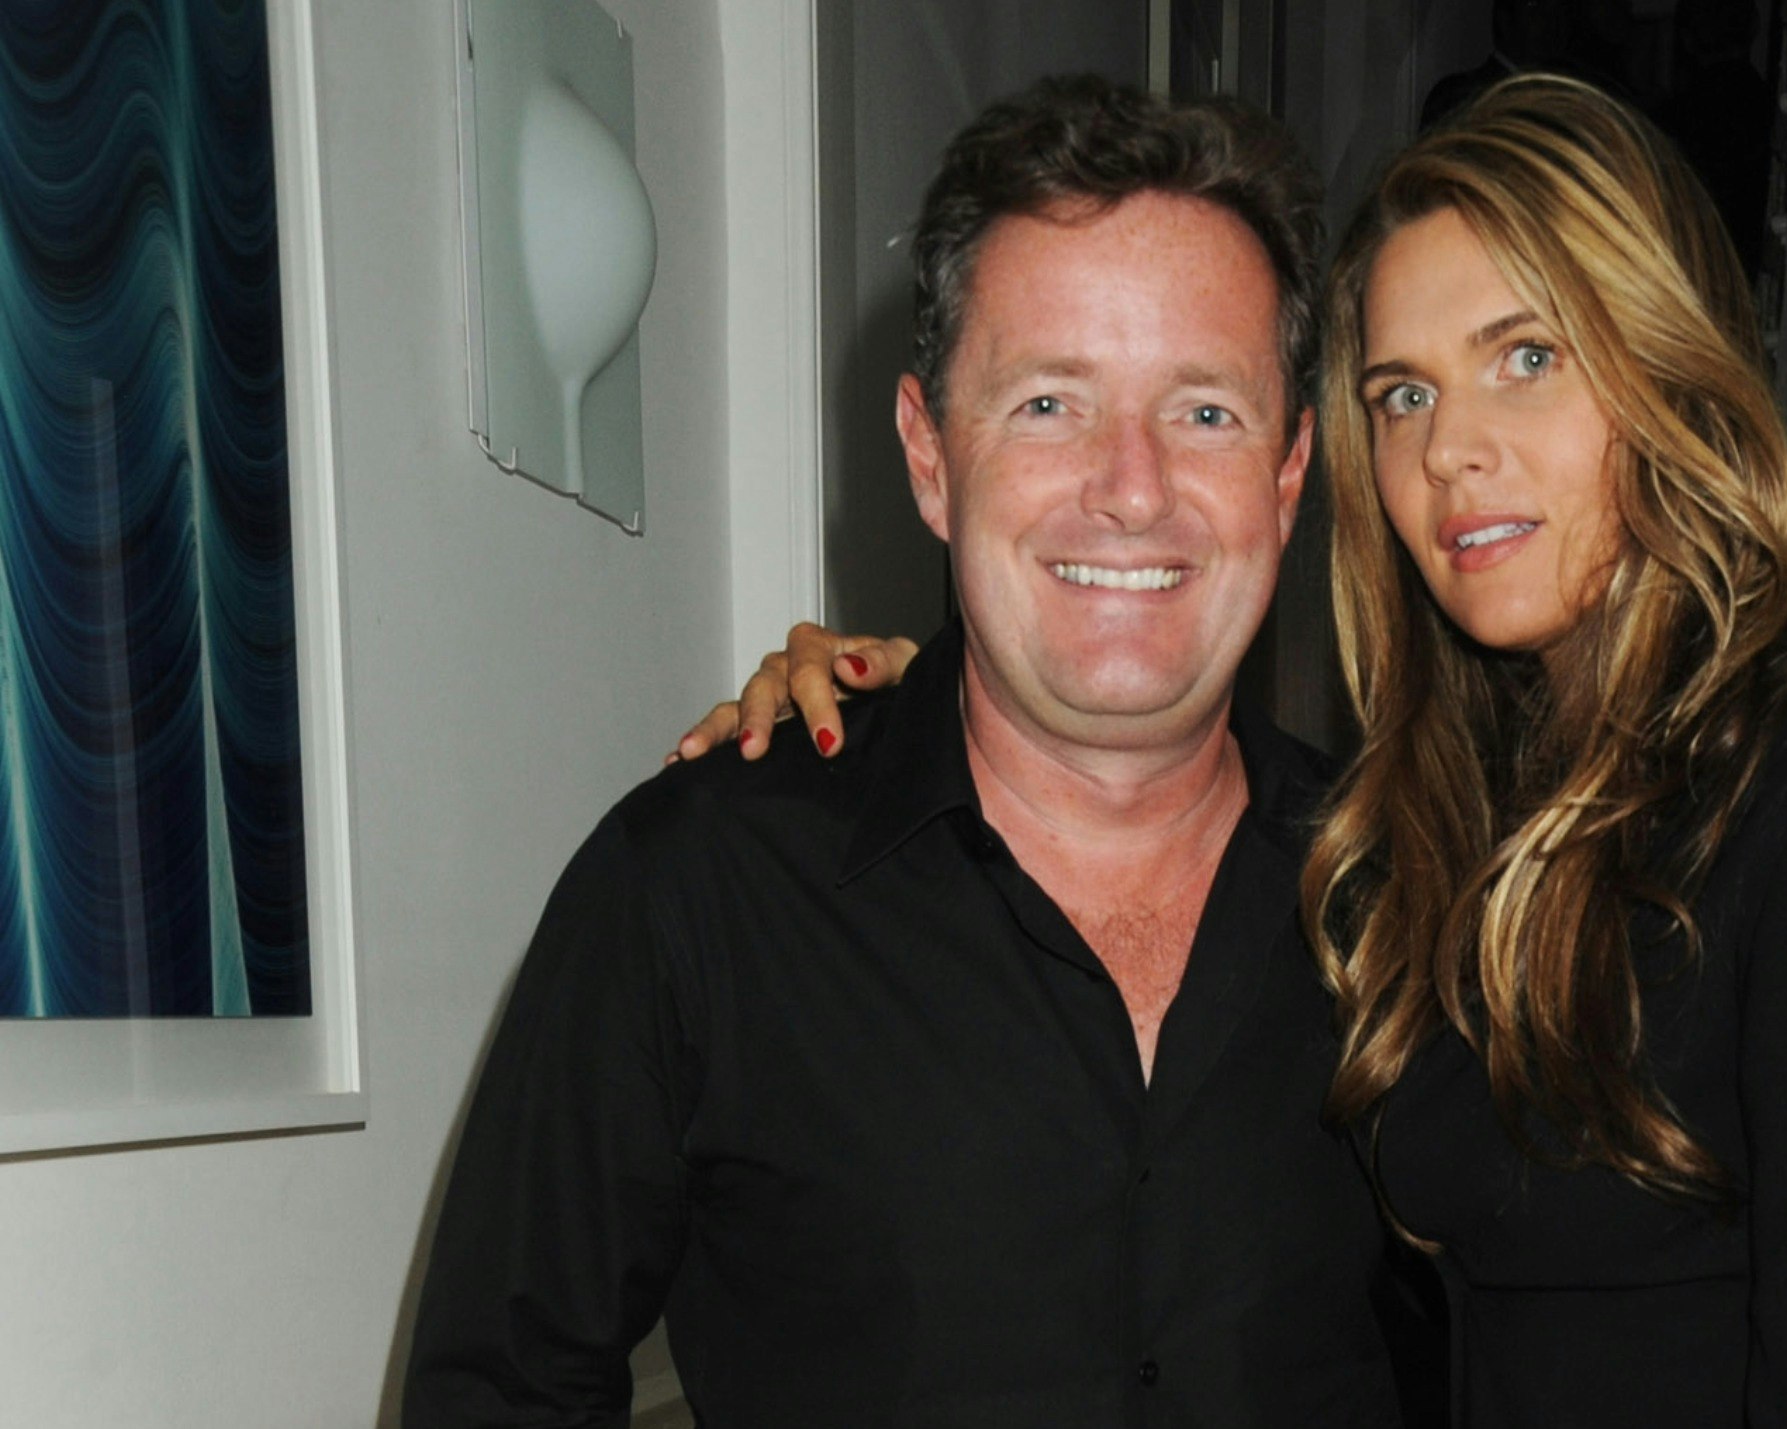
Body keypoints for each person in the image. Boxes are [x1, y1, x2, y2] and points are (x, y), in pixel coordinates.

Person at [689, 75, 1787, 1428]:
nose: (1452, 449)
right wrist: (942, 709)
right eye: (1403, 393)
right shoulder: (1450, 825)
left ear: (1670, 364)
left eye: (1527, 357)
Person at [404, 77, 1430, 1427]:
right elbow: (501, 1391)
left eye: (1204, 412)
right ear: (929, 456)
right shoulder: (699, 888)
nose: (1132, 488)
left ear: (1289, 475)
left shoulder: (1420, 899)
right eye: (1050, 403)